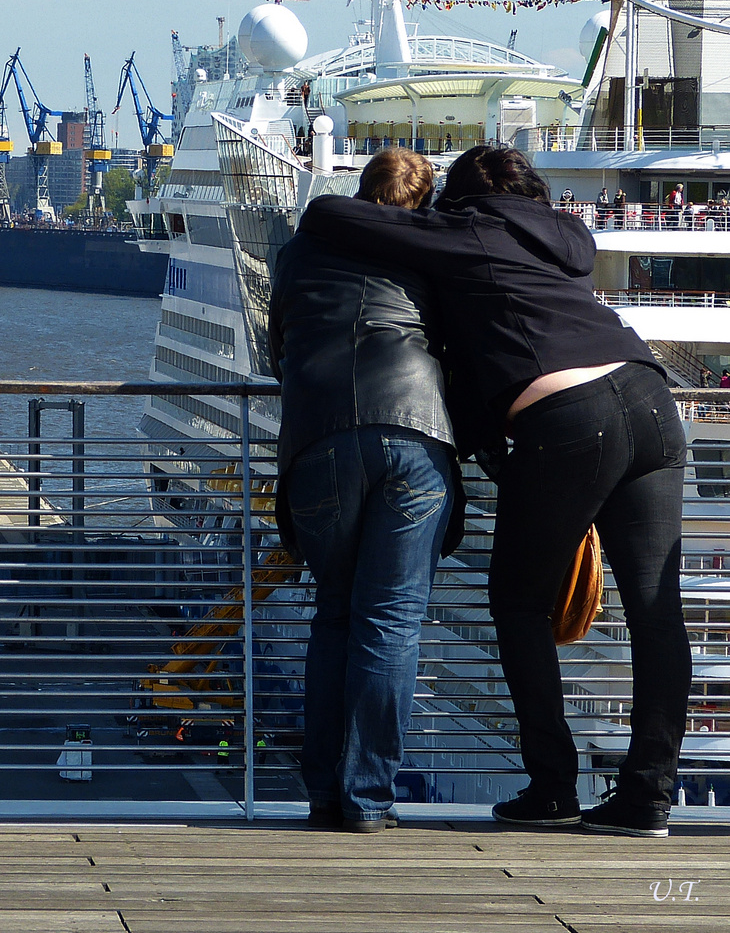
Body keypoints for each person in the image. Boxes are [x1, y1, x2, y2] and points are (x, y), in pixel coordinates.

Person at [296, 145, 691, 838]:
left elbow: (329, 212)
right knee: (657, 614)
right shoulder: (564, 238)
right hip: (651, 396)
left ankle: (552, 788)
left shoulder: (465, 229)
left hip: (570, 411)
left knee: (516, 601)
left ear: (463, 197)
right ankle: (648, 795)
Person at [269, 148, 457, 832]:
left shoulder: (299, 249)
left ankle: (324, 794)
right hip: (413, 428)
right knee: (391, 621)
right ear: (424, 201)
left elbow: (277, 348)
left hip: (318, 437)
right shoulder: (431, 248)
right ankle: (369, 799)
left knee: (336, 617)